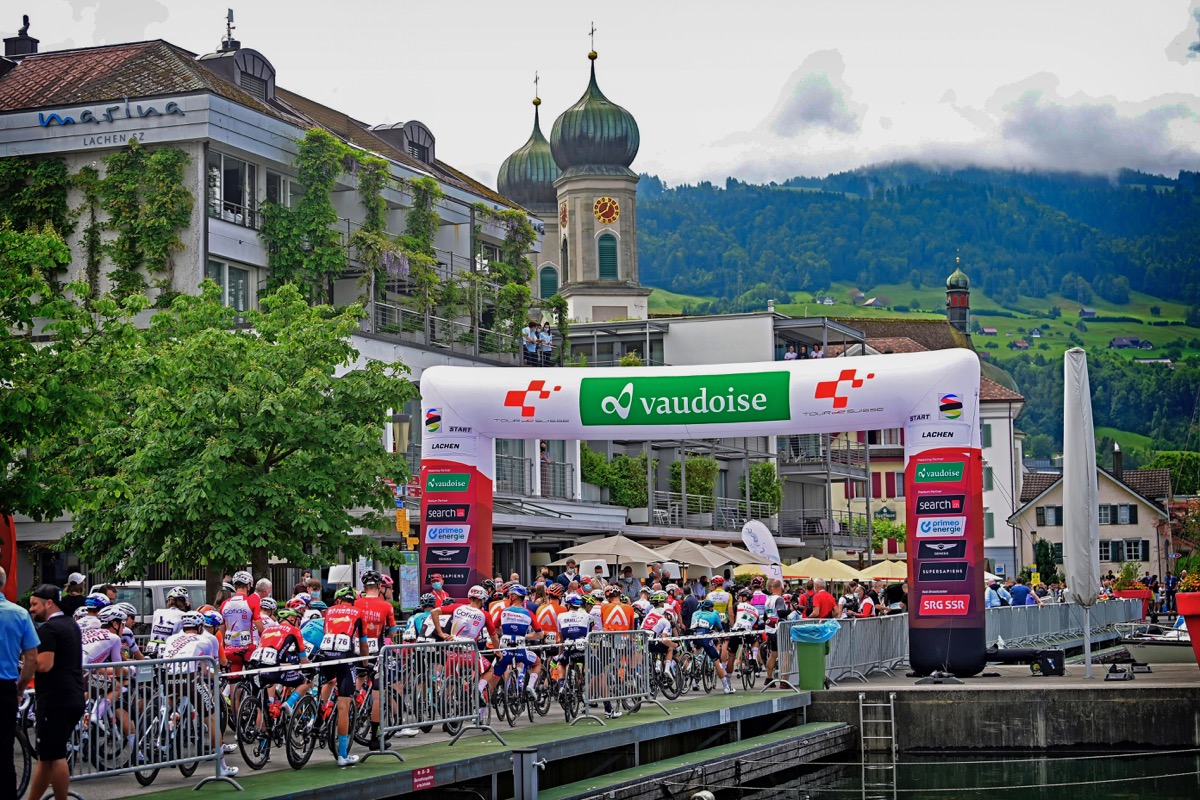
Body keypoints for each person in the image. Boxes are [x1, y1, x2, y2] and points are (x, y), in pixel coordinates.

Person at [28, 584, 85, 800]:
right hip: (72, 696)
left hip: (56, 699)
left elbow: (44, 665)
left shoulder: (49, 629)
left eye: (34, 604)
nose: (31, 609)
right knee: (47, 757)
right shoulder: (70, 624)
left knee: (56, 755)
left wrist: (24, 661)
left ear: (48, 603)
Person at [2, 568, 39, 799]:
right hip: (4, 687)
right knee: (4, 752)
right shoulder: (19, 614)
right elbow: (32, 658)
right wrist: (20, 687)